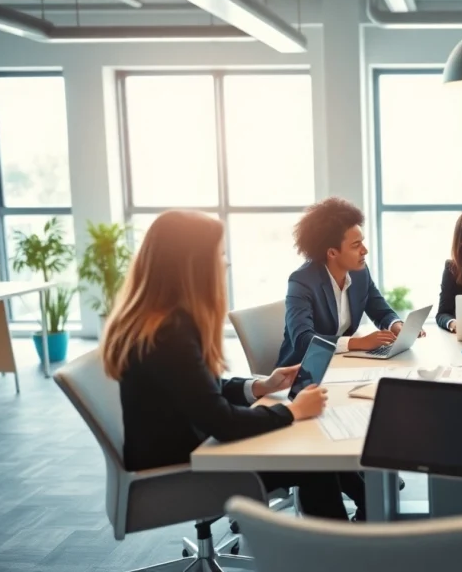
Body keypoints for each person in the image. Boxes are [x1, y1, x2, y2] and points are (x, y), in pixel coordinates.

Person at [102, 210, 355, 520]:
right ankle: (347, 551)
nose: (225, 262)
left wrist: (261, 386)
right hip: (184, 470)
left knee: (313, 454)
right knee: (313, 463)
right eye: (219, 253)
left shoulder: (160, 321)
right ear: (192, 266)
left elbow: (197, 390)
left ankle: (347, 541)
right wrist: (292, 411)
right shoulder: (170, 333)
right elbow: (222, 422)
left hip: (186, 449)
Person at [276, 197, 424, 367]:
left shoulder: (359, 272)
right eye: (356, 245)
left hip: (339, 363)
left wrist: (396, 325)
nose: (365, 250)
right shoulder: (302, 281)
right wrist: (357, 343)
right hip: (302, 370)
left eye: (363, 242)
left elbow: (380, 310)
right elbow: (303, 339)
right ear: (332, 253)